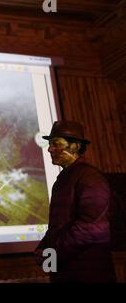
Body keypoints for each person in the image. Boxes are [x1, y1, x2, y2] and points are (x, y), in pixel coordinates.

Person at [34, 120, 116, 282]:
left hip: (88, 272)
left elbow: (91, 227)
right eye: (50, 144)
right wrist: (44, 249)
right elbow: (60, 223)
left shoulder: (90, 177)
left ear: (76, 146)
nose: (50, 149)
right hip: (67, 270)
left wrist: (53, 252)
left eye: (56, 144)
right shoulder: (66, 178)